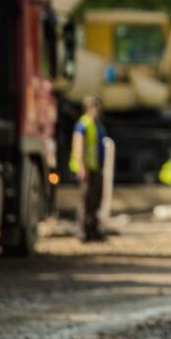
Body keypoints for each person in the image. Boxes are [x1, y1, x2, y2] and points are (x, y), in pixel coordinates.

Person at [70, 95, 107, 242]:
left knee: (95, 201)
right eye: (95, 106)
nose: (98, 110)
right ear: (88, 108)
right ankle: (83, 232)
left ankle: (93, 230)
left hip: (96, 167)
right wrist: (82, 167)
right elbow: (79, 146)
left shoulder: (96, 124)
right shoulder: (83, 124)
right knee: (85, 201)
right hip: (87, 169)